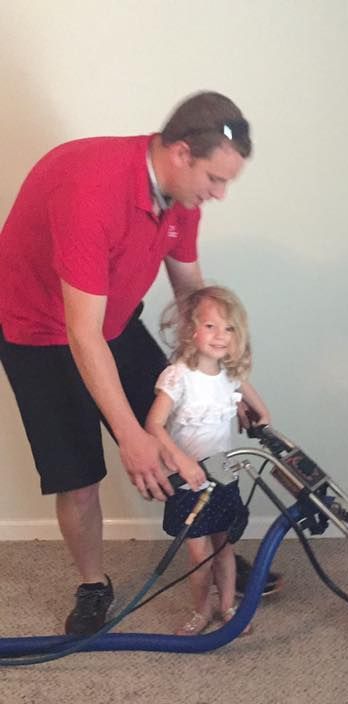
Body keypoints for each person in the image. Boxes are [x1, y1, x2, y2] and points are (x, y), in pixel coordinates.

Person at [0, 90, 281, 638]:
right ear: (180, 153)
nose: (220, 194)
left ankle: (208, 548)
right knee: (78, 476)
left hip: (110, 318)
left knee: (183, 430)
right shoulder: (91, 192)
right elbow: (82, 336)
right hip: (37, 329)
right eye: (215, 180)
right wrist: (131, 435)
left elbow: (192, 296)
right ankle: (92, 584)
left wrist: (226, 379)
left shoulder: (182, 199)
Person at [146, 286, 270, 634]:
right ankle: (200, 612)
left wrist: (261, 413)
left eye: (229, 329)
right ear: (192, 330)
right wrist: (182, 462)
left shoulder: (230, 375)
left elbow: (258, 404)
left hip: (223, 477)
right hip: (189, 481)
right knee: (199, 556)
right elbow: (153, 426)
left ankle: (228, 607)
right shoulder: (178, 376)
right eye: (211, 326)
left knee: (225, 548)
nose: (220, 336)